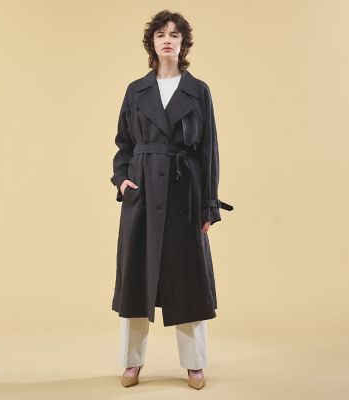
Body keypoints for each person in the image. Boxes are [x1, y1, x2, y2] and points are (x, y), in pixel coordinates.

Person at [110, 10, 233, 390]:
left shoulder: (199, 91)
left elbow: (209, 150)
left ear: (183, 44)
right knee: (136, 281)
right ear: (152, 42)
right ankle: (131, 363)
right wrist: (122, 180)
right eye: (161, 34)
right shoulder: (136, 90)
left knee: (189, 280)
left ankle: (195, 364)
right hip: (143, 193)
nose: (168, 39)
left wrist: (209, 205)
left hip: (185, 193)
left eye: (175, 35)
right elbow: (124, 143)